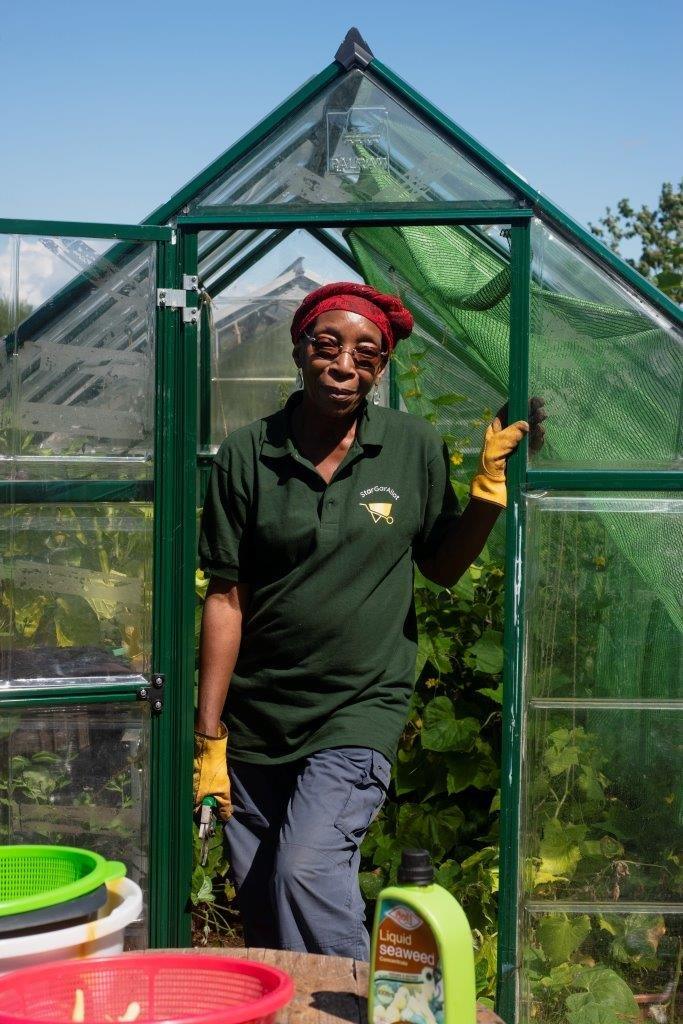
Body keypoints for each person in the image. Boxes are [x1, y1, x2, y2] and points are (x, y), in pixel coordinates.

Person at [193, 282, 544, 959]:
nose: (344, 364)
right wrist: (209, 738)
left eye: (367, 353)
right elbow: (225, 597)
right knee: (262, 895)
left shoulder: (411, 447)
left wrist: (486, 499)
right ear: (300, 349)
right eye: (327, 345)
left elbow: (439, 567)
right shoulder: (247, 454)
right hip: (257, 716)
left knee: (306, 870)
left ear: (381, 367)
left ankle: (374, 1006)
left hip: (358, 705)